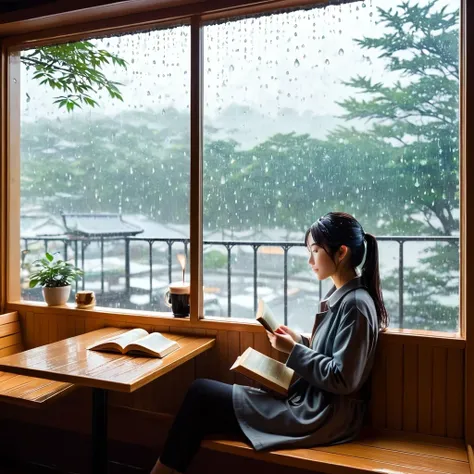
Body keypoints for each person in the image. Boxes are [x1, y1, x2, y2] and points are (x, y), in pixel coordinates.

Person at [150, 211, 389, 474]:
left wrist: (294, 350)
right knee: (201, 404)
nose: (310, 260)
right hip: (313, 405)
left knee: (200, 395)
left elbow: (344, 378)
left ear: (341, 253)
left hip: (322, 415)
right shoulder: (344, 298)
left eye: (316, 250)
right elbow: (332, 354)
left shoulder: (356, 304)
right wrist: (298, 340)